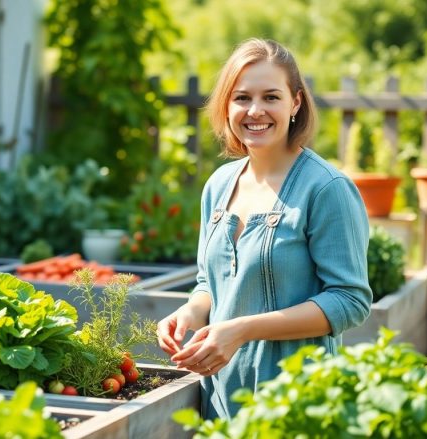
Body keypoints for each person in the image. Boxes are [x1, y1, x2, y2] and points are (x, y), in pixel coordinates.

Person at [156, 38, 372, 420]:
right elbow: (210, 282)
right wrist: (191, 311)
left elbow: (349, 300)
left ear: (296, 103)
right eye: (242, 98)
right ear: (227, 106)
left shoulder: (326, 189)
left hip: (297, 401)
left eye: (271, 97)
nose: (255, 111)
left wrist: (243, 330)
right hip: (220, 399)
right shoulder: (219, 185)